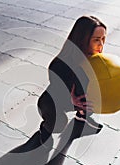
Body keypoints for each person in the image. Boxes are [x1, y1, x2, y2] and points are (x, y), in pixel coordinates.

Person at [36, 15, 107, 144]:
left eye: (103, 39)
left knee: (92, 99)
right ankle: (45, 130)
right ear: (83, 40)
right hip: (54, 101)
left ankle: (81, 117)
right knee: (59, 124)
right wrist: (70, 100)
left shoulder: (95, 60)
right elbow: (58, 91)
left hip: (77, 100)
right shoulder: (59, 65)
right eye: (96, 39)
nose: (101, 44)